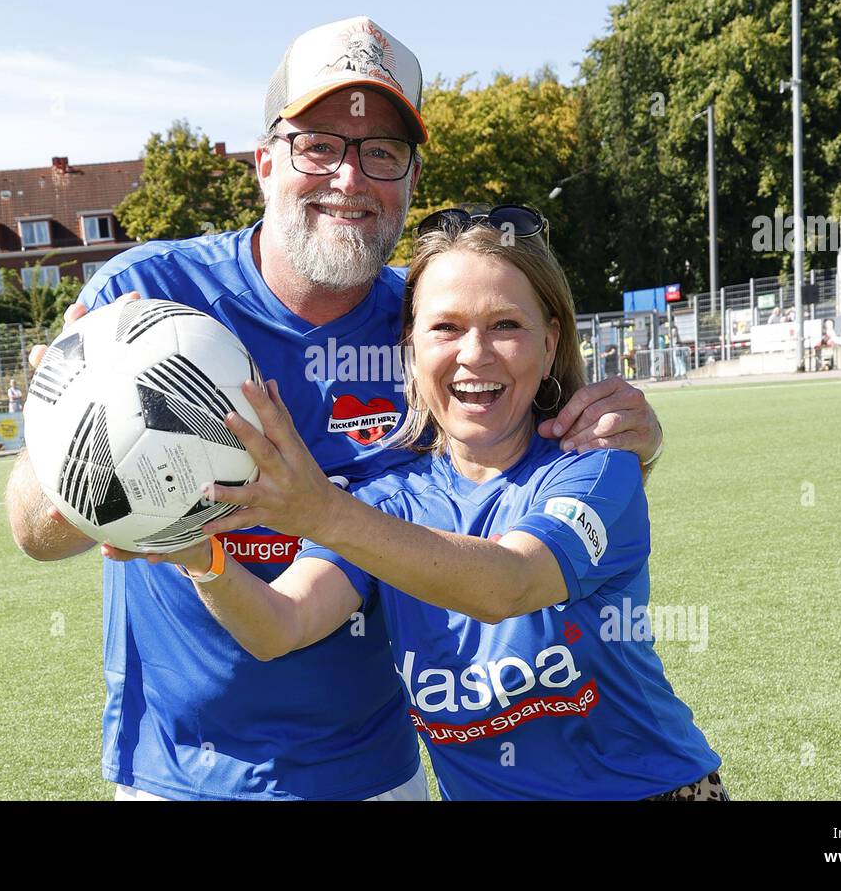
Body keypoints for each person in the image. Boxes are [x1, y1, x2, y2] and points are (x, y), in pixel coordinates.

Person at [5, 16, 663, 802]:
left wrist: (630, 433)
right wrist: (101, 467)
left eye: (382, 152)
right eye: (319, 143)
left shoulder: (429, 325)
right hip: (175, 770)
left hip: (371, 772)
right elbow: (32, 531)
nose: (349, 178)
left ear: (412, 179)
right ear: (265, 161)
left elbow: (535, 449)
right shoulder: (147, 299)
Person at [116, 217, 722, 800]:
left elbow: (507, 584)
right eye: (446, 328)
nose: (476, 354)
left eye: (506, 324)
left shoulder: (593, 465)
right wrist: (193, 551)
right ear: (409, 348)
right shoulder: (388, 498)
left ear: (551, 341)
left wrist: (322, 512)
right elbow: (279, 625)